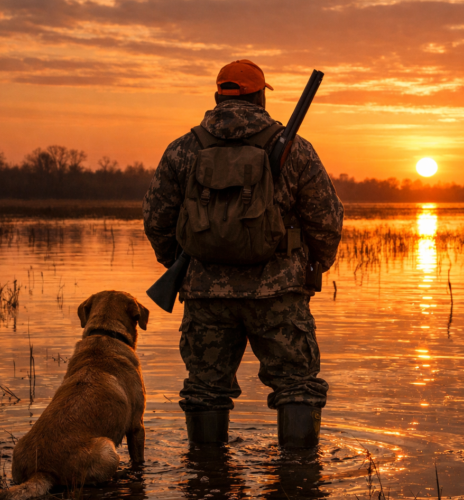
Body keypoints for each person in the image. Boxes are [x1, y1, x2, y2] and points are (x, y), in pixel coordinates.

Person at [143, 60, 343, 448]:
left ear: (218, 96)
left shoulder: (183, 149)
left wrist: (181, 265)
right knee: (297, 388)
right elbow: (327, 220)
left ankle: (204, 480)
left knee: (205, 390)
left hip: (206, 297)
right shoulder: (295, 149)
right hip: (278, 295)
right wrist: (313, 266)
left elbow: (156, 219)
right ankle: (299, 480)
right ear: (259, 97)